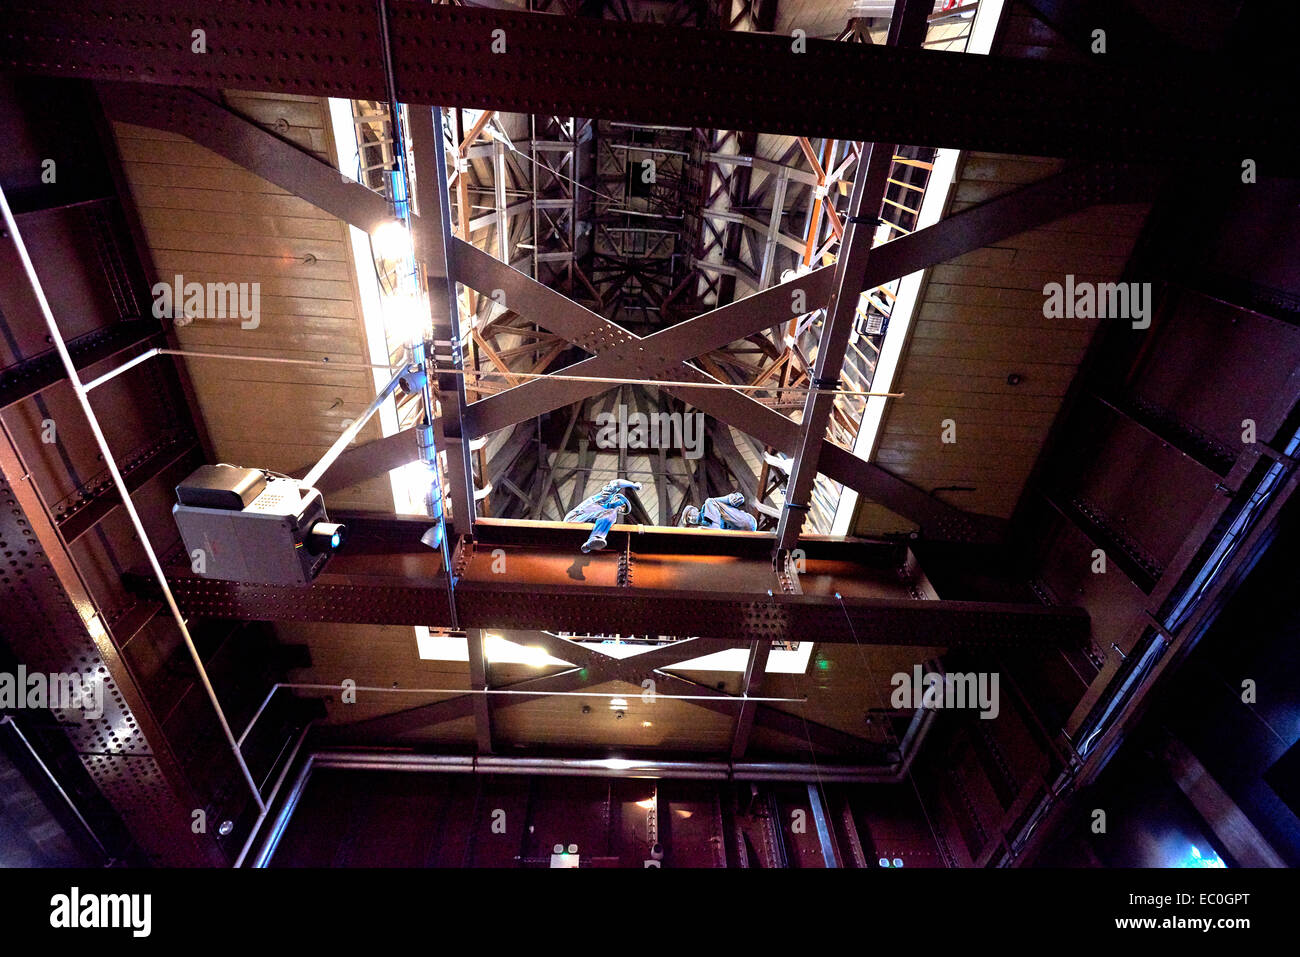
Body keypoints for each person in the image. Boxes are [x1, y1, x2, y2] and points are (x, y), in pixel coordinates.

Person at [564, 479, 641, 552]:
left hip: (583, 522)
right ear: (615, 499)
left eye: (622, 510)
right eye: (622, 505)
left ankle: (588, 545)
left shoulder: (607, 515)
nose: (620, 509)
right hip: (575, 517)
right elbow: (616, 483)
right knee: (610, 513)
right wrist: (633, 485)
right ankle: (595, 537)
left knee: (610, 516)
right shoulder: (603, 499)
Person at [680, 491, 757, 532]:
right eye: (689, 519)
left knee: (710, 501)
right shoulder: (704, 529)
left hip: (745, 521)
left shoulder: (708, 507)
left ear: (696, 509)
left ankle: (715, 526)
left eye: (690, 513)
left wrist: (734, 498)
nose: (691, 517)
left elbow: (727, 499)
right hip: (741, 533)